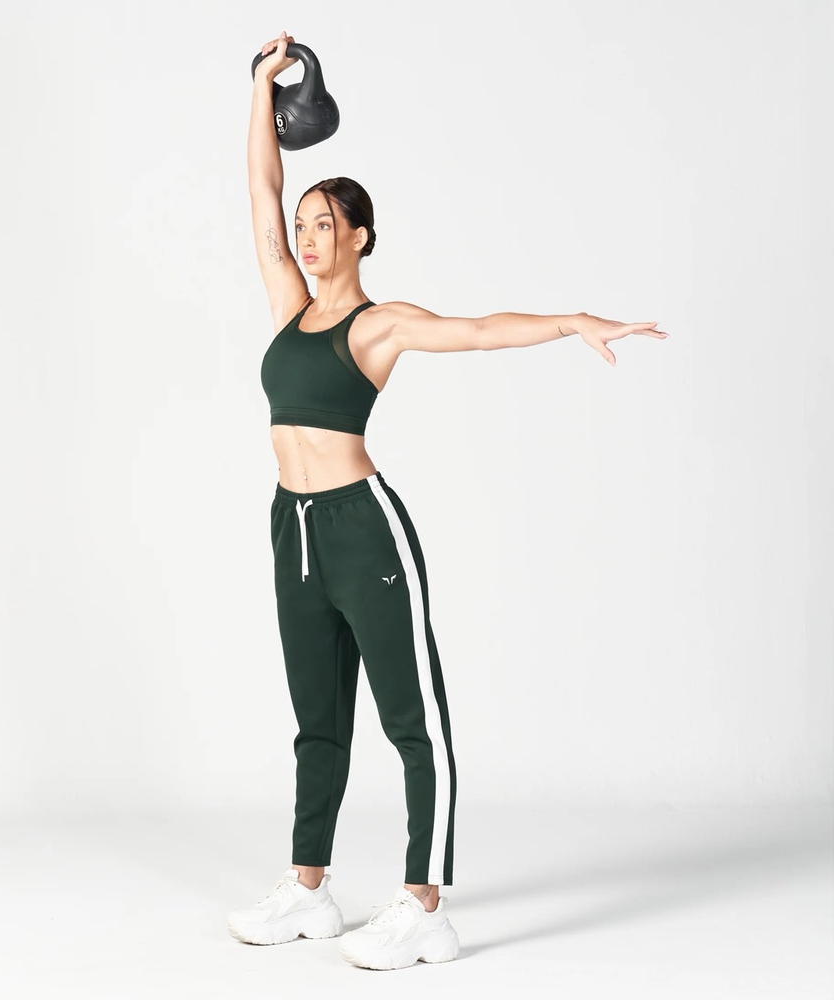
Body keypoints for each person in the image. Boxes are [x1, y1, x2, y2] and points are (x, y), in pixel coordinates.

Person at [227, 30, 668, 972]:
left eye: (322, 224)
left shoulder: (379, 324)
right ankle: (309, 890)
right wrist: (263, 90)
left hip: (362, 529)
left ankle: (425, 904)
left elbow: (477, 330)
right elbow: (260, 191)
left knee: (410, 717)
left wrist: (572, 321)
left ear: (360, 236)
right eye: (302, 225)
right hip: (292, 529)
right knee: (316, 722)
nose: (304, 236)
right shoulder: (287, 305)